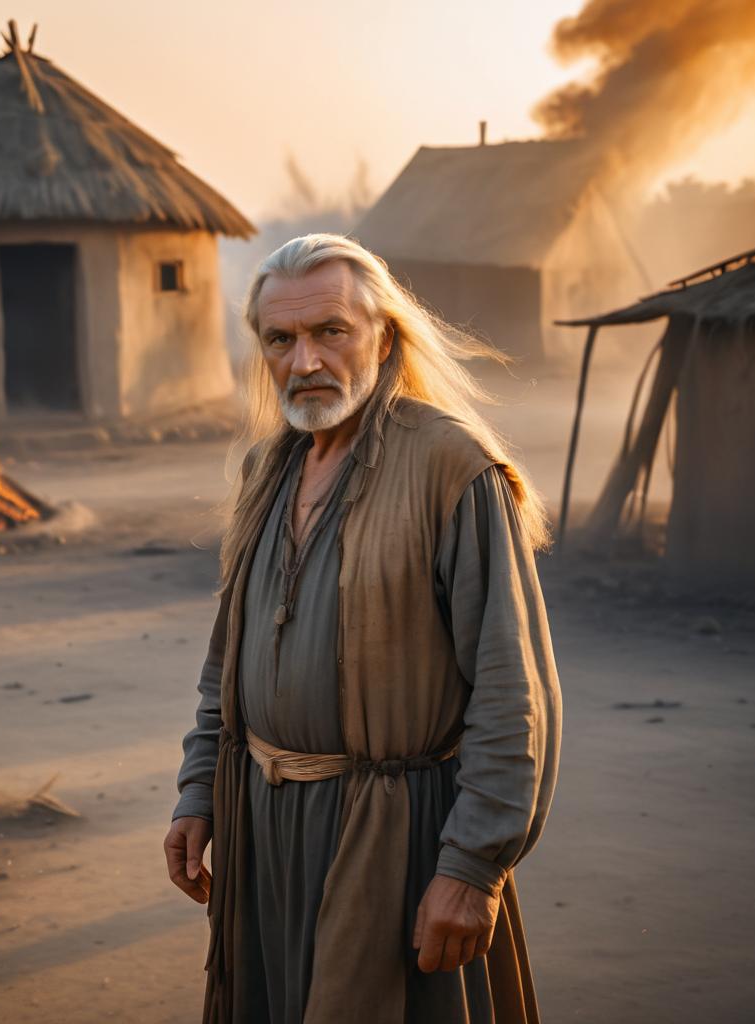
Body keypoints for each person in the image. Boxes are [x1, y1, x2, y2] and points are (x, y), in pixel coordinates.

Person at [164, 234, 562, 1024]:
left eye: (330, 331)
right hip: (263, 834)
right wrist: (198, 792)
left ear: (383, 336)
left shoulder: (451, 466)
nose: (305, 360)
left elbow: (513, 692)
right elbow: (227, 662)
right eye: (281, 339)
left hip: (397, 839)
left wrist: (472, 868)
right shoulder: (266, 471)